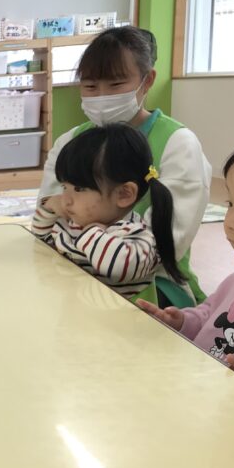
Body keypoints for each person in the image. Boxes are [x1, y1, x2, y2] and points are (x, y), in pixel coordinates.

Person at [34, 25, 211, 307]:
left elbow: (161, 249)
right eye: (90, 86)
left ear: (147, 80)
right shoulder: (71, 141)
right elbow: (52, 211)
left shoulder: (177, 143)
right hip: (74, 272)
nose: (101, 96)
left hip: (151, 283)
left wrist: (82, 237)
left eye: (115, 85)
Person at [31, 123, 183, 299]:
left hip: (117, 315)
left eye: (79, 189)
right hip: (71, 308)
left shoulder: (136, 235)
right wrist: (49, 207)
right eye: (65, 187)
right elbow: (41, 241)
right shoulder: (75, 222)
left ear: (124, 194)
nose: (65, 199)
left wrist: (90, 232)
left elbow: (118, 268)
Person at [138, 142, 234, 374]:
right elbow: (208, 314)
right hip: (192, 381)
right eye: (230, 204)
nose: (229, 222)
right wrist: (181, 322)